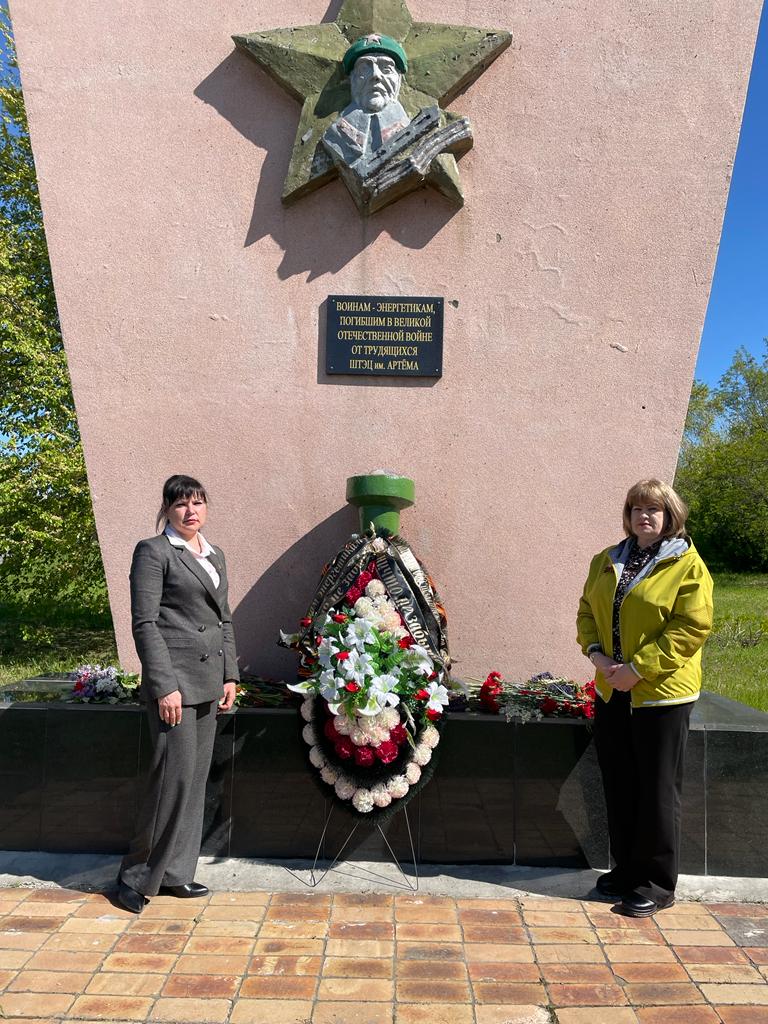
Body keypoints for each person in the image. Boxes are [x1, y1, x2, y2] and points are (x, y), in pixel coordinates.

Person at [577, 479, 713, 918]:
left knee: (656, 790)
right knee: (620, 784)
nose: (644, 516)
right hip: (611, 688)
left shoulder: (688, 565)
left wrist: (638, 669)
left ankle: (657, 883)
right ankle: (626, 870)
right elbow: (586, 612)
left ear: (670, 514)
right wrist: (597, 656)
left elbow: (689, 628)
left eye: (654, 509)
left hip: (661, 696)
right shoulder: (607, 560)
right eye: (637, 508)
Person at [116, 475, 239, 914]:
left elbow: (223, 620)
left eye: (199, 503)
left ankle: (174, 874)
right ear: (168, 509)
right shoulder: (154, 552)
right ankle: (134, 876)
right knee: (169, 779)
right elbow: (145, 623)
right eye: (183, 504)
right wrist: (163, 684)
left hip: (209, 684)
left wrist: (231, 675)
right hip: (176, 685)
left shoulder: (214, 554)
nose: (192, 511)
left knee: (192, 781)